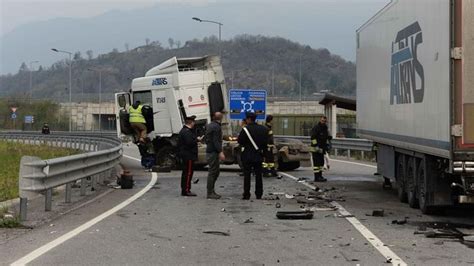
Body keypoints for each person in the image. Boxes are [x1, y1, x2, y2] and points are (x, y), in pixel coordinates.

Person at [238, 112, 268, 200]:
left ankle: (246, 194)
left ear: (248, 119)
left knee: (247, 176)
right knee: (259, 175)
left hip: (247, 155)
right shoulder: (263, 129)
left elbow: (240, 141)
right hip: (258, 155)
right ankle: (259, 194)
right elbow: (265, 143)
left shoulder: (245, 130)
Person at [205, 112, 225, 199]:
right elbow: (216, 140)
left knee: (214, 171)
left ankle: (211, 191)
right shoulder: (216, 127)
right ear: (221, 118)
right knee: (213, 172)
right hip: (213, 151)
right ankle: (210, 192)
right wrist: (220, 151)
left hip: (210, 150)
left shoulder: (210, 125)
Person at [178, 116, 198, 197]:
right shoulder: (186, 132)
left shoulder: (186, 131)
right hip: (188, 155)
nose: (194, 123)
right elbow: (189, 142)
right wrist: (196, 140)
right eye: (193, 122)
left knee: (186, 173)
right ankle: (186, 190)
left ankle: (185, 189)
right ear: (191, 123)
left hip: (187, 154)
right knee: (188, 173)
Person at [310, 116, 331, 182]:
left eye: (324, 121)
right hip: (315, 148)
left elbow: (326, 138)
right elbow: (313, 137)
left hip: (322, 148)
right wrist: (316, 145)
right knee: (317, 163)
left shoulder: (325, 128)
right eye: (322, 121)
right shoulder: (316, 128)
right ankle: (316, 177)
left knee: (321, 163)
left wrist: (328, 140)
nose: (323, 122)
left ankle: (320, 176)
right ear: (320, 120)